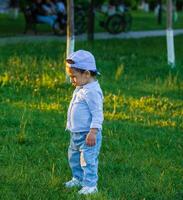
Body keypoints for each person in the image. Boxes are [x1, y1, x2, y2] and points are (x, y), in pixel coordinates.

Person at [65, 50, 104, 195]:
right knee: (74, 157)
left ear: (87, 74)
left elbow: (97, 114)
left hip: (88, 135)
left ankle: (90, 185)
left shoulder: (92, 91)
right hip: (76, 133)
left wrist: (93, 132)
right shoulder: (82, 86)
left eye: (73, 77)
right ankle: (78, 178)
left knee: (88, 160)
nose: (71, 80)